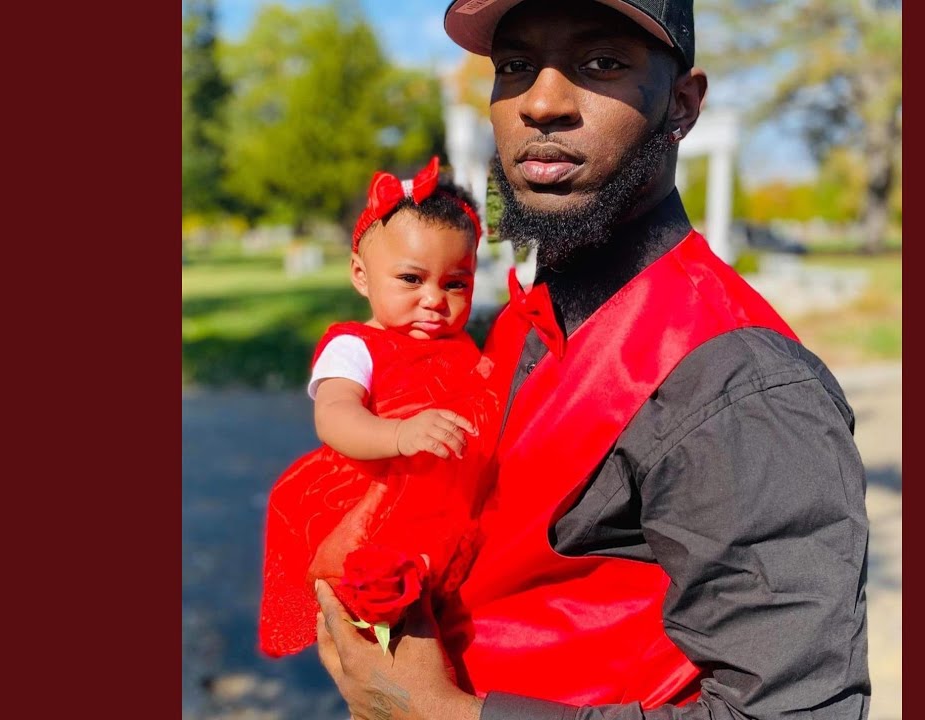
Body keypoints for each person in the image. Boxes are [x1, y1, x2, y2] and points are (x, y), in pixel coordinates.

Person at [314, 2, 871, 718]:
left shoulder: (741, 386)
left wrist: (442, 711)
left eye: (601, 63)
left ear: (681, 104)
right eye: (515, 66)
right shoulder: (528, 316)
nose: (541, 103)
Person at [257, 157, 501, 658]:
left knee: (456, 623)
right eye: (412, 279)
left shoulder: (461, 348)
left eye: (455, 283)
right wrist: (397, 434)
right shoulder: (356, 347)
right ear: (361, 275)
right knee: (386, 626)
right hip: (377, 507)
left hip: (450, 504)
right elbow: (334, 415)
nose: (435, 299)